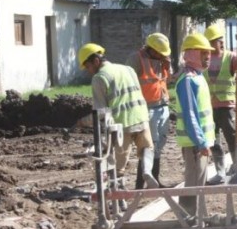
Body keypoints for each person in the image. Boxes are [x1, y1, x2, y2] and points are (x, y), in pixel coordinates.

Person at [78, 43, 157, 190]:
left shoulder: (99, 78)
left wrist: (83, 122)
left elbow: (100, 111)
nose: (89, 71)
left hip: (121, 125)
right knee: (147, 148)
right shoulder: (128, 69)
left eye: (88, 67)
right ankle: (146, 171)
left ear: (96, 61)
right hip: (141, 117)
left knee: (117, 167)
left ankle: (120, 200)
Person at [203, 24, 237, 185]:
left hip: (226, 106)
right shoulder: (205, 60)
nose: (210, 46)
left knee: (232, 137)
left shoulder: (230, 57)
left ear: (219, 42)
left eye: (213, 42)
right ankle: (220, 172)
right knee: (213, 140)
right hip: (209, 107)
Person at [174, 33, 215, 215]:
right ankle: (189, 217)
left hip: (199, 142)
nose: (208, 57)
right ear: (191, 54)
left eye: (209, 53)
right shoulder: (189, 81)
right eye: (203, 53)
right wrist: (201, 142)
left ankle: (197, 216)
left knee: (199, 181)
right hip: (194, 144)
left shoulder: (197, 77)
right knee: (193, 182)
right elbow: (191, 115)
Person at [126, 33, 173, 189]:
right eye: (160, 52)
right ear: (152, 49)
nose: (162, 56)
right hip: (147, 109)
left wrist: (168, 67)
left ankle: (155, 181)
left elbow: (168, 80)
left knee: (159, 145)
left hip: (162, 106)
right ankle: (140, 184)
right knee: (148, 145)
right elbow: (128, 84)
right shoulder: (136, 59)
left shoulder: (162, 60)